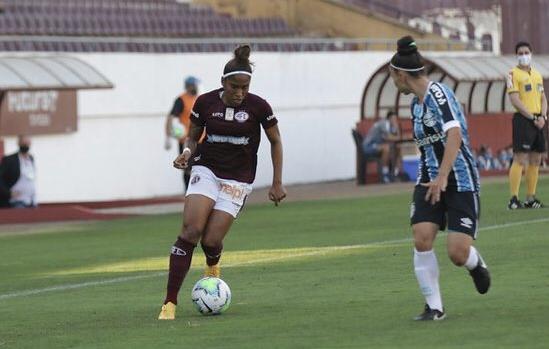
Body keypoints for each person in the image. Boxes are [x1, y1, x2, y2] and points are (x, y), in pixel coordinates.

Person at [158, 45, 287, 320]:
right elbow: (193, 136)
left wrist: (277, 182)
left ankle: (212, 265)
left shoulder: (259, 106)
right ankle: (169, 303)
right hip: (206, 169)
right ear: (223, 83)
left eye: (245, 87)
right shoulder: (205, 103)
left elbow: (275, 140)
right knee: (191, 231)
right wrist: (187, 153)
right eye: (234, 87)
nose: (240, 93)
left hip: (237, 180)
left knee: (211, 240)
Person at [388, 36, 490, 321]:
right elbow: (426, 149)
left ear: (401, 75)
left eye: (392, 77)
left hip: (459, 179)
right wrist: (431, 178)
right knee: (421, 239)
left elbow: (454, 135)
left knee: (457, 253)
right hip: (428, 180)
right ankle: (434, 308)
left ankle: (474, 261)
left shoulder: (439, 95)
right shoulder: (416, 106)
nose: (393, 83)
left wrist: (443, 176)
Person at [506, 41, 547, 209]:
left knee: (536, 158)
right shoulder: (512, 74)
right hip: (524, 119)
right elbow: (515, 99)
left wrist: (543, 116)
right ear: (517, 55)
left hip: (539, 119)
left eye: (526, 52)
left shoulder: (537, 74)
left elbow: (543, 98)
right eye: (520, 53)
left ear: (531, 53)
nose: (524, 55)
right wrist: (532, 118)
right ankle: (513, 199)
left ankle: (531, 197)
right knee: (520, 158)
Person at [164, 76, 200, 191]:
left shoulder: (199, 99)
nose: (196, 87)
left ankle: (198, 192)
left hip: (200, 139)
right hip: (186, 141)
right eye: (195, 85)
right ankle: (188, 192)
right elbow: (170, 117)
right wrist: (168, 137)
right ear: (189, 86)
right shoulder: (181, 100)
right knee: (187, 168)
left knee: (199, 167)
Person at [361, 110, 403, 183]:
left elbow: (396, 136)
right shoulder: (384, 124)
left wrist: (396, 127)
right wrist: (397, 135)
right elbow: (389, 137)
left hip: (377, 146)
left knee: (397, 148)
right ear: (389, 118)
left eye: (396, 119)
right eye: (393, 119)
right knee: (386, 148)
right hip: (368, 147)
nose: (395, 121)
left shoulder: (391, 126)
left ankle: (395, 173)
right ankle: (385, 174)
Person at [0, 135, 37, 208]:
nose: (25, 145)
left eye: (27, 143)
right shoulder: (10, 160)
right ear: (18, 143)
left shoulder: (31, 158)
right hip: (16, 201)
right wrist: (8, 193)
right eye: (23, 143)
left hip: (31, 200)